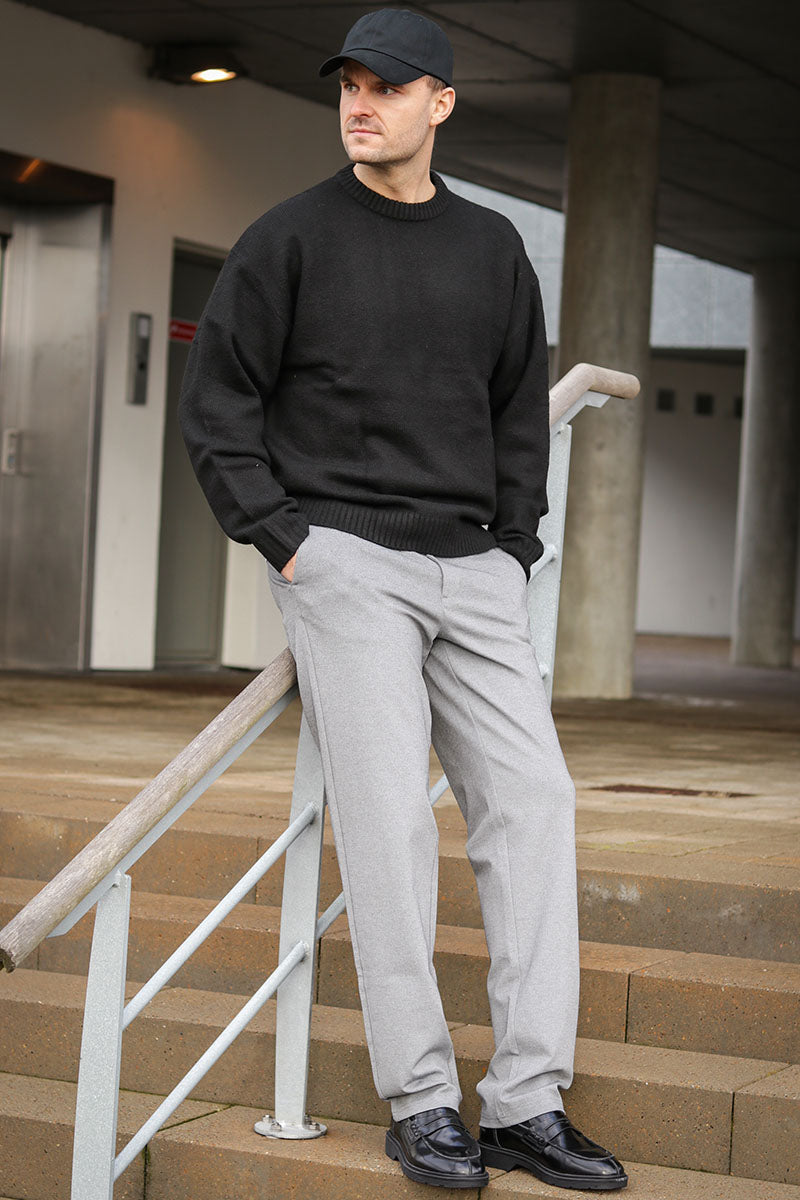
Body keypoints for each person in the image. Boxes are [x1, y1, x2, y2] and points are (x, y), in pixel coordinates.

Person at [179, 7, 628, 1191]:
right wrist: (287, 542)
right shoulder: (286, 239)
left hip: (472, 568)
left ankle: (525, 1103)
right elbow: (217, 404)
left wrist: (513, 548)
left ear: (441, 102)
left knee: (532, 804)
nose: (360, 104)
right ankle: (422, 1099)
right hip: (343, 564)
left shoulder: (490, 247)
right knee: (388, 823)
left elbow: (515, 414)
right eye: (349, 86)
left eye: (387, 87)